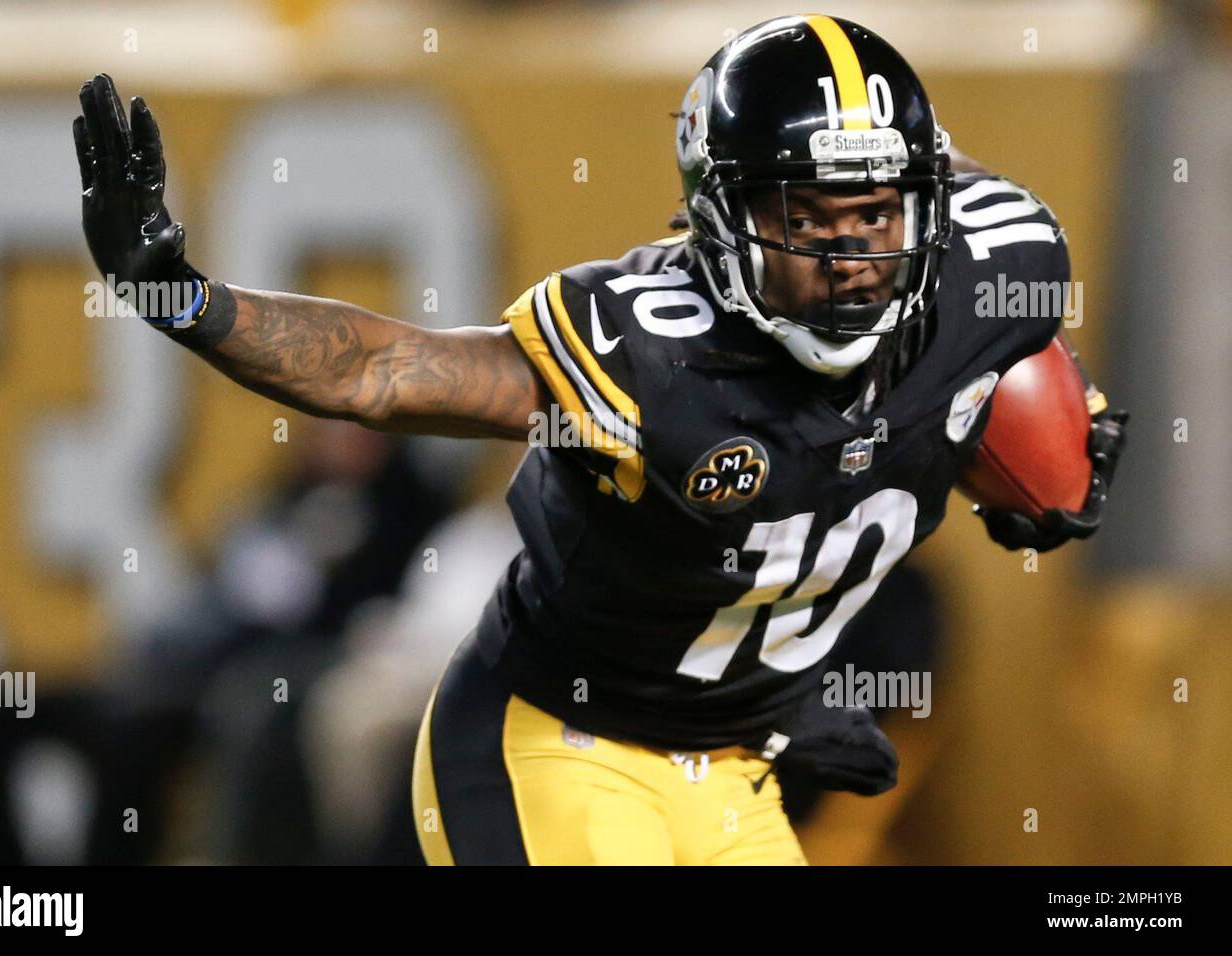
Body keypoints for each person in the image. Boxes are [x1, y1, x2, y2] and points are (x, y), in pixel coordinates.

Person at [73, 14, 1127, 865]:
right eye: (808, 216)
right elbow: (377, 370)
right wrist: (183, 296)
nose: (852, 253)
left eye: (878, 212)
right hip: (562, 747)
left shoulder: (992, 268)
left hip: (734, 766)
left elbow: (1001, 342)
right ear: (722, 220)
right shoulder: (647, 353)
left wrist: (1040, 444)